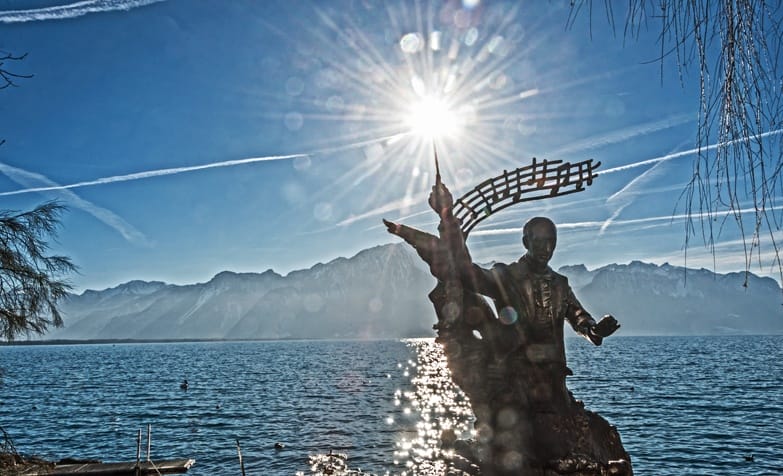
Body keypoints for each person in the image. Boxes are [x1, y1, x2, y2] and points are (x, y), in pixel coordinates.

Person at [429, 180, 620, 409]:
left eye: (551, 242)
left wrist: (593, 329)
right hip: (515, 377)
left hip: (553, 379)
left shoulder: (561, 283)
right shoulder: (505, 275)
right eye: (539, 242)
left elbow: (577, 314)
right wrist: (447, 217)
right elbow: (466, 272)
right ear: (525, 242)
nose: (546, 249)